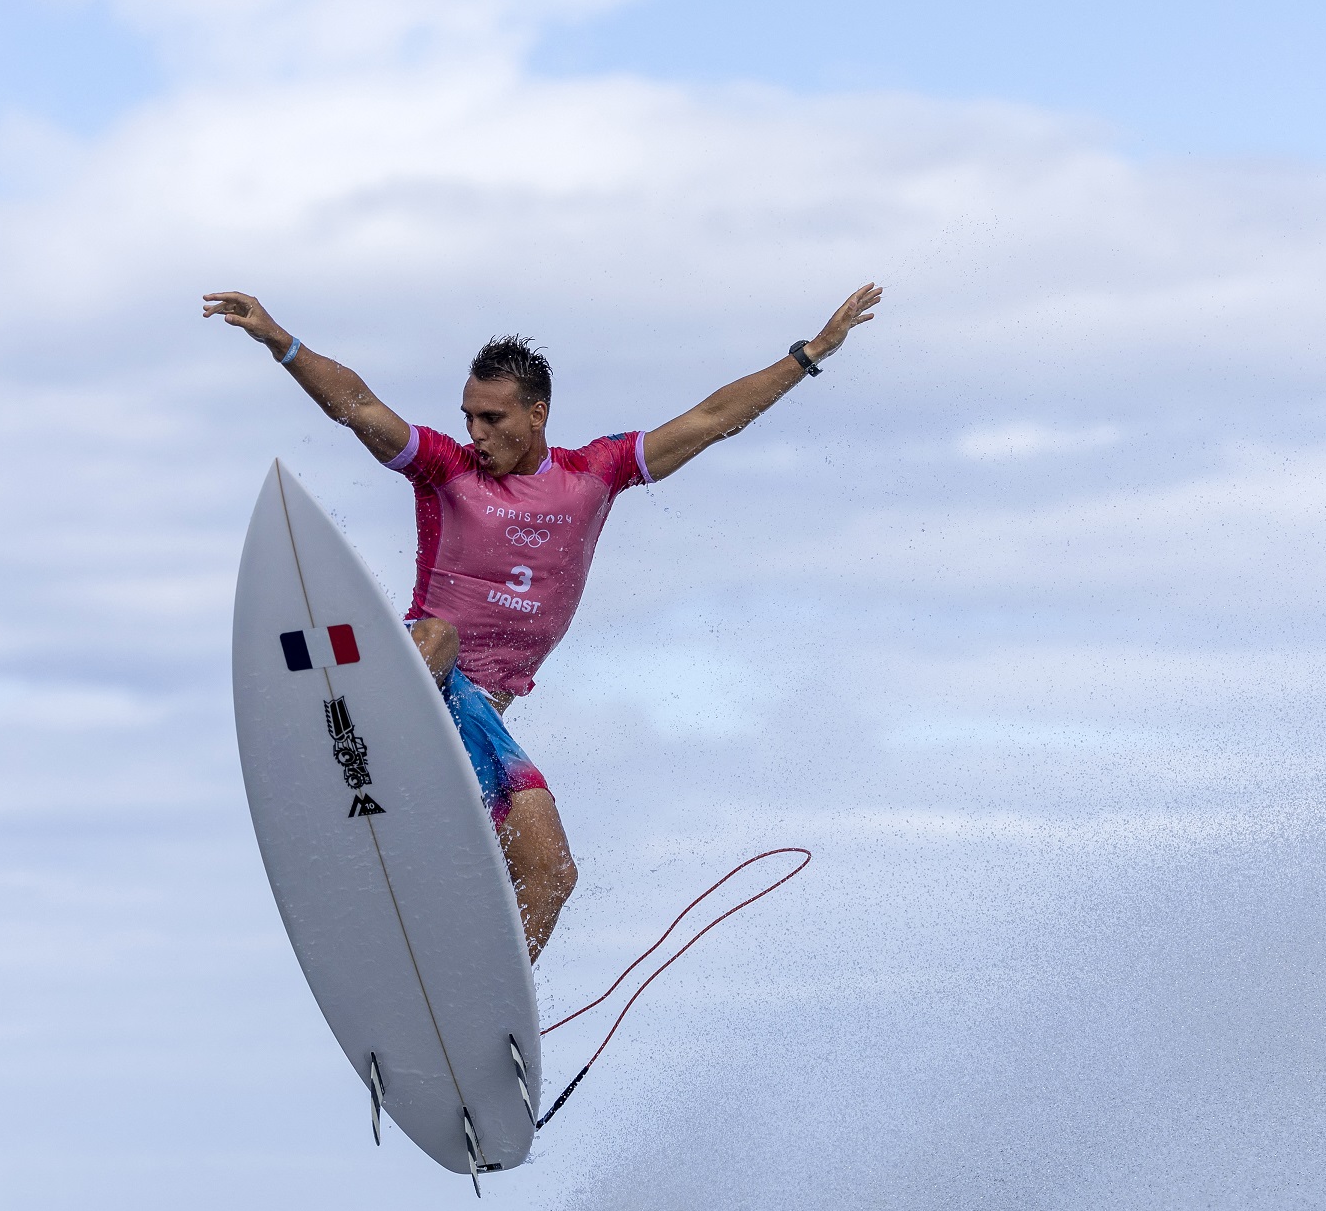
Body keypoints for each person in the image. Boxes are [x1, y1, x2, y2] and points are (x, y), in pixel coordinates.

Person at [204, 283, 881, 960]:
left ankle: (484, 1014)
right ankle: (357, 767)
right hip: (422, 676)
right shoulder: (446, 470)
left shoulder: (593, 474)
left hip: (481, 717)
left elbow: (710, 418)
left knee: (553, 874)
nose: (475, 432)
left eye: (493, 418)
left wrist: (811, 353)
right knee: (438, 636)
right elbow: (358, 405)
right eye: (468, 415)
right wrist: (279, 340)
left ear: (538, 414)